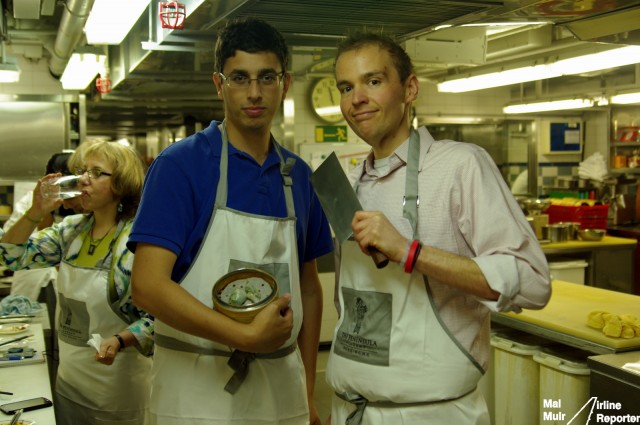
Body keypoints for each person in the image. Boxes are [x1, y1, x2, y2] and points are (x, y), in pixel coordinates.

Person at [324, 32, 551, 425]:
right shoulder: (350, 183)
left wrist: (409, 251)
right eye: (346, 87)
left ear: (409, 88)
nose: (356, 98)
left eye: (373, 81)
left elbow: (533, 283)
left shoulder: (459, 167)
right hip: (351, 409)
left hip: (431, 414)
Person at [128, 18, 333, 425]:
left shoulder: (300, 176)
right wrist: (243, 336)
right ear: (219, 84)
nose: (254, 92)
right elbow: (147, 287)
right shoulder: (180, 166)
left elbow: (308, 288)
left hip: (281, 394)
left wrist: (307, 391)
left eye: (266, 77)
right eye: (240, 78)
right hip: (196, 397)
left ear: (285, 83)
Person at [0, 140, 152, 424]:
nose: (83, 179)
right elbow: (10, 257)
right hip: (70, 378)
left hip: (117, 385)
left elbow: (160, 317)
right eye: (82, 171)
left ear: (120, 183)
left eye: (96, 173)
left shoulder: (138, 240)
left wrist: (121, 340)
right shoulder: (71, 230)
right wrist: (36, 211)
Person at [3, 152, 79, 300]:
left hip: (69, 289)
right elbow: (7, 247)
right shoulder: (33, 201)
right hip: (29, 281)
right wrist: (41, 212)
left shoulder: (84, 208)